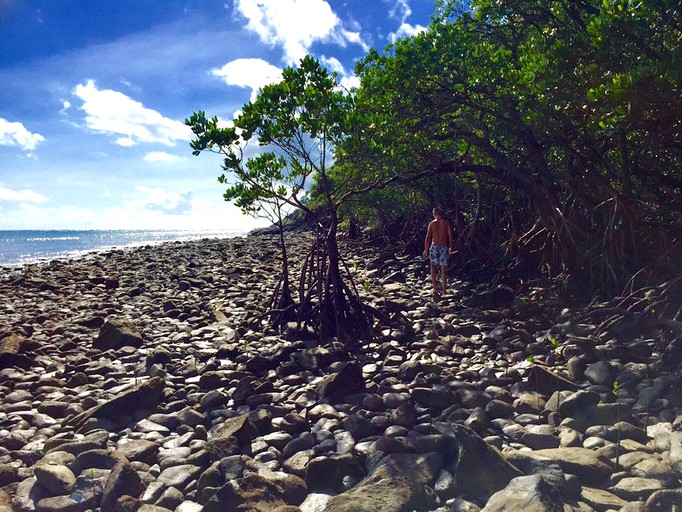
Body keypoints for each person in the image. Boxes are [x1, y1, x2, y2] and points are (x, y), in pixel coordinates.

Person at [423, 207, 455, 298]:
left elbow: (428, 237)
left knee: (433, 267)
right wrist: (451, 247)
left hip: (434, 247)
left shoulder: (432, 224)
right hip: (443, 247)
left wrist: (426, 249)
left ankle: (435, 289)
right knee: (443, 269)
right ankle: (444, 290)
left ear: (434, 214)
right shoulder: (446, 223)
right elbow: (450, 236)